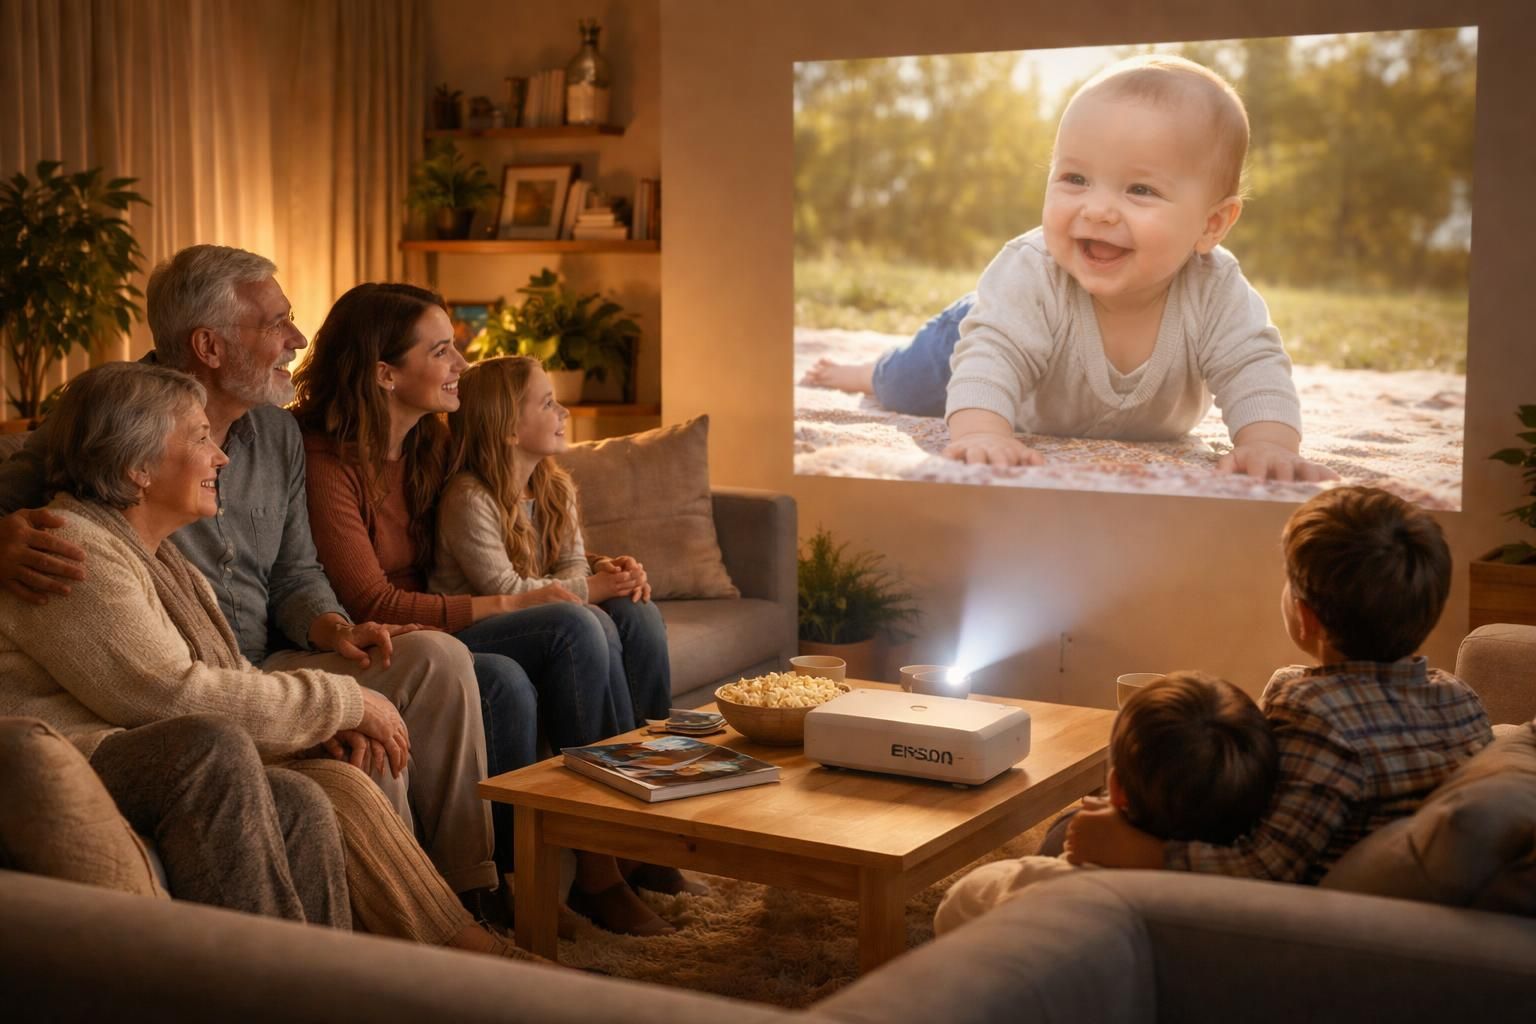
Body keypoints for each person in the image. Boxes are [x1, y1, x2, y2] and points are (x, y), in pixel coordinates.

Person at [0, 245, 501, 912]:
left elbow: (298, 570)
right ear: (209, 344)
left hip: (264, 654)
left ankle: (470, 892)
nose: (296, 340)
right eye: (278, 323)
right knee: (345, 755)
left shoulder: (276, 432)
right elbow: (161, 682)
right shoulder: (114, 415)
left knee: (436, 659)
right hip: (192, 670)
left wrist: (336, 627)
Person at [292, 282, 677, 936]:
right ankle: (592, 866)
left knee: (633, 615)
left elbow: (511, 515)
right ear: (386, 374)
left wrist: (601, 567)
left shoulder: (433, 444)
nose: (461, 367)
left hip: (461, 619)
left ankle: (640, 837)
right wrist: (538, 597)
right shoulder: (326, 460)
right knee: (547, 644)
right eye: (442, 351)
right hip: (396, 635)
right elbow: (371, 599)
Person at [803, 55, 1335, 483]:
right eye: (1075, 178)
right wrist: (985, 430)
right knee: (906, 384)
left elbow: (1254, 366)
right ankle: (867, 370)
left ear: (1212, 224)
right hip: (983, 331)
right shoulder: (1034, 272)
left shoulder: (1216, 291)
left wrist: (1267, 444)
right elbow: (992, 355)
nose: (1097, 209)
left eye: (1140, 190)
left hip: (1036, 348)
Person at [1065, 485, 1494, 883]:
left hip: (1289, 926)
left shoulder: (1315, 714)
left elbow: (1260, 865)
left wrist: (1138, 849)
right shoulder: (1462, 700)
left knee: (1060, 834)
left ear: (1306, 617)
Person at [934, 671, 1275, 934]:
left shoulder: (1023, 887)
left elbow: (951, 913)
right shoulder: (1255, 909)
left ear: (1115, 787)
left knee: (1063, 828)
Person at [431, 355, 671, 725]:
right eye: (547, 403)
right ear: (509, 428)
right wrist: (593, 588)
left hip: (546, 608)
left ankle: (658, 742)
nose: (564, 412)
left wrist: (607, 581)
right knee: (590, 620)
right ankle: (611, 757)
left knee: (637, 609)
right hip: (481, 627)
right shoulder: (469, 498)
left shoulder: (555, 486)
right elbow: (506, 589)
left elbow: (571, 562)